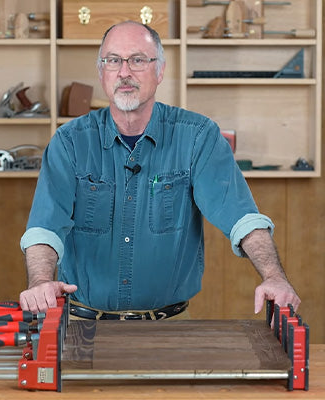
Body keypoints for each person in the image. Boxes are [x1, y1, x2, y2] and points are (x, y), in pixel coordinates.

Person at [19, 21, 300, 321]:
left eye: (138, 60)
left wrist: (274, 275)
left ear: (160, 71)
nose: (124, 72)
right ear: (102, 72)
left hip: (170, 328)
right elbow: (44, 228)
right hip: (82, 325)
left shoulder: (198, 137)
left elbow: (241, 218)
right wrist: (40, 282)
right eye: (113, 61)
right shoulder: (69, 142)